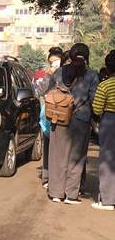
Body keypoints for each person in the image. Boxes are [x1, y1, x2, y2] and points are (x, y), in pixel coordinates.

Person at [47, 43, 99, 204]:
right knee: (76, 158)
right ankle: (71, 194)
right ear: (87, 57)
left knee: (57, 155)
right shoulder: (92, 75)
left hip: (58, 118)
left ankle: (56, 193)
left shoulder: (58, 72)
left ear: (71, 55)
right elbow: (94, 100)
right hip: (81, 119)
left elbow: (48, 93)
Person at [91, 50, 115, 211]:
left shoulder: (104, 85)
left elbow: (97, 108)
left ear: (107, 68)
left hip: (109, 122)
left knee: (108, 159)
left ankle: (107, 200)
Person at [39, 47, 63, 189]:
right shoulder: (48, 75)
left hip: (63, 115)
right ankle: (47, 177)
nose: (53, 64)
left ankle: (59, 179)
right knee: (48, 146)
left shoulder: (67, 74)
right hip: (48, 115)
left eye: (56, 61)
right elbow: (41, 91)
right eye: (51, 62)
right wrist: (48, 76)